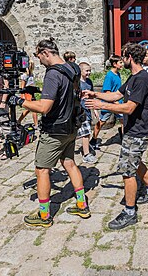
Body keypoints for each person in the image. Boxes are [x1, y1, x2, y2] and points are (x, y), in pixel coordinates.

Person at [8, 38, 90, 227]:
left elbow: (45, 107)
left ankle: (44, 216)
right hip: (71, 126)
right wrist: (38, 90)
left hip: (55, 130)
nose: (38, 60)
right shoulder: (73, 68)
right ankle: (81, 204)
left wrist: (20, 101)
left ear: (45, 53)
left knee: (42, 170)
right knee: (69, 163)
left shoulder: (53, 74)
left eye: (38, 56)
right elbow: (65, 94)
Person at [84, 42, 148, 230]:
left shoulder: (142, 79)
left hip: (137, 132)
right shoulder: (133, 78)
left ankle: (129, 212)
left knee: (127, 172)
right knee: (134, 162)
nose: (120, 59)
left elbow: (128, 107)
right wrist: (95, 94)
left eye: (123, 56)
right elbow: (116, 95)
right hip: (133, 130)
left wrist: (101, 106)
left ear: (130, 58)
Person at [90, 55, 123, 150]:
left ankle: (123, 138)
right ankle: (93, 140)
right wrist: (114, 101)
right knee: (101, 122)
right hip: (108, 104)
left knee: (123, 120)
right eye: (120, 62)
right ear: (114, 64)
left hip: (117, 103)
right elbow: (107, 91)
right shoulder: (109, 76)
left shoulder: (118, 74)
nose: (122, 64)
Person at [77, 61, 98, 164]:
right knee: (86, 133)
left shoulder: (89, 82)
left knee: (86, 132)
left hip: (88, 110)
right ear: (80, 71)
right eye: (87, 70)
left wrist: (95, 109)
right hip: (80, 112)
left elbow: (92, 96)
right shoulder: (77, 83)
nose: (89, 72)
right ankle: (86, 154)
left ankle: (85, 148)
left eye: (90, 70)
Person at [17, 60, 39, 126]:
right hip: (27, 93)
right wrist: (22, 95)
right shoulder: (25, 75)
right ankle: (36, 124)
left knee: (28, 109)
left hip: (31, 92)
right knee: (34, 108)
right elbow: (22, 86)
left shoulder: (31, 74)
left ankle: (19, 120)